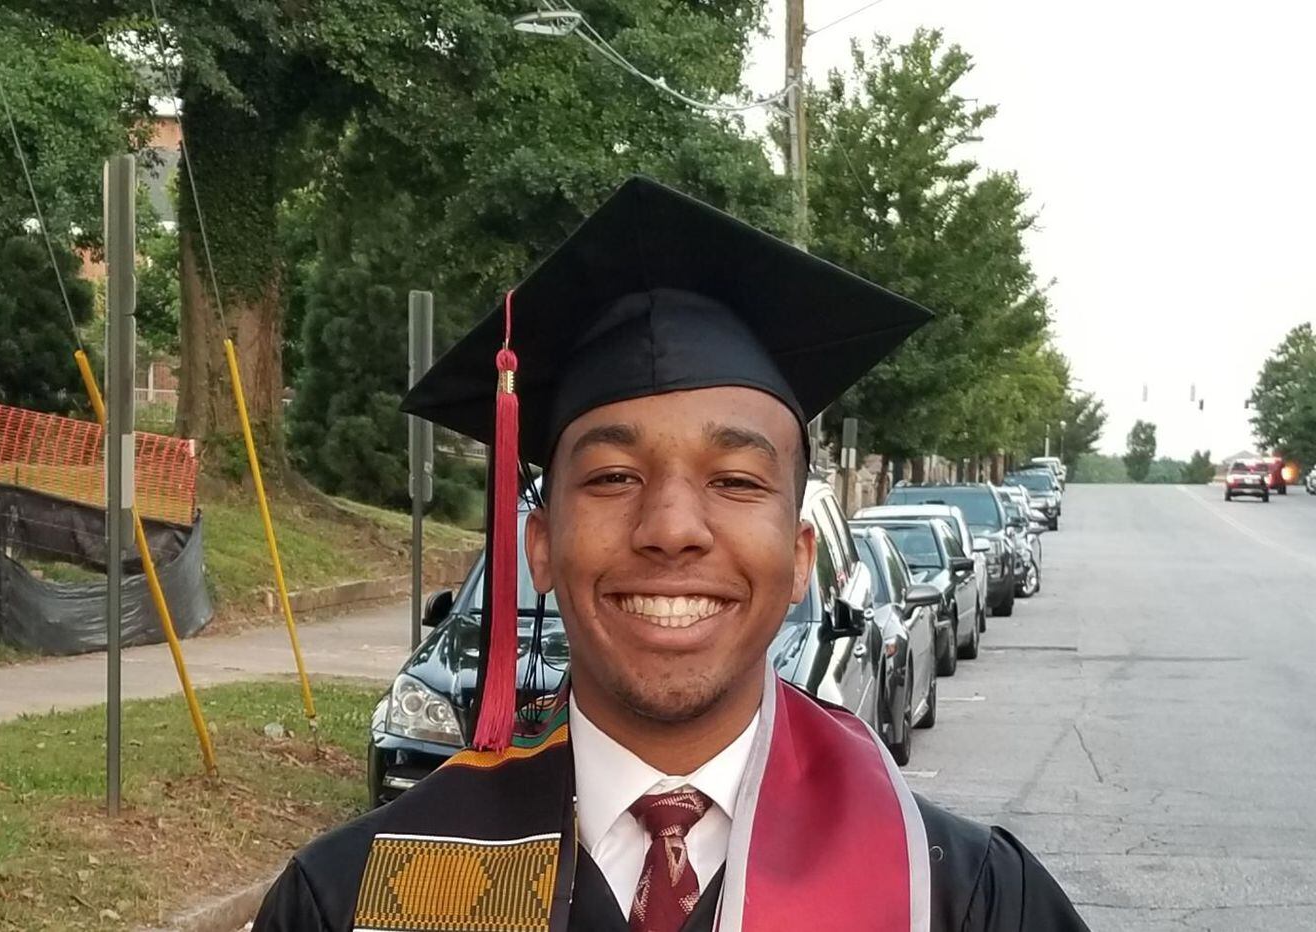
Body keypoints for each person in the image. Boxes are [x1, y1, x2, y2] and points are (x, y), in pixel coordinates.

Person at [252, 176, 1090, 931]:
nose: (672, 526)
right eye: (614, 476)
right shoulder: (354, 902)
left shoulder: (961, 902)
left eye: (735, 480)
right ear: (539, 547)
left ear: (802, 556)